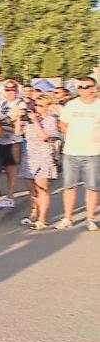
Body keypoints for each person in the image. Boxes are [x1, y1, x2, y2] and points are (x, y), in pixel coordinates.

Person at [55, 77, 100, 231]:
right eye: (80, 86)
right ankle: (68, 217)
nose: (82, 89)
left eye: (86, 86)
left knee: (92, 187)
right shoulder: (72, 105)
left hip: (93, 152)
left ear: (94, 88)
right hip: (71, 151)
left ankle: (90, 218)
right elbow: (62, 124)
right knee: (69, 186)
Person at [16, 94, 59, 230]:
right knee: (31, 189)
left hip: (43, 156)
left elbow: (44, 137)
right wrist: (18, 117)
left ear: (48, 107)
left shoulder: (50, 120)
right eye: (36, 105)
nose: (37, 108)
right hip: (29, 156)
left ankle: (42, 218)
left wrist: (36, 122)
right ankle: (33, 213)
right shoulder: (30, 119)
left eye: (41, 105)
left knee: (42, 187)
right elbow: (18, 133)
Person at [0, 80, 28, 208]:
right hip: (2, 139)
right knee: (5, 168)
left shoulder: (20, 103)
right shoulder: (2, 103)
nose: (10, 92)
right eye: (7, 90)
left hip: (14, 140)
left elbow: (17, 119)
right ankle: (8, 195)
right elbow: (0, 119)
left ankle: (11, 196)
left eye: (12, 90)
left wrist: (5, 122)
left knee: (12, 170)